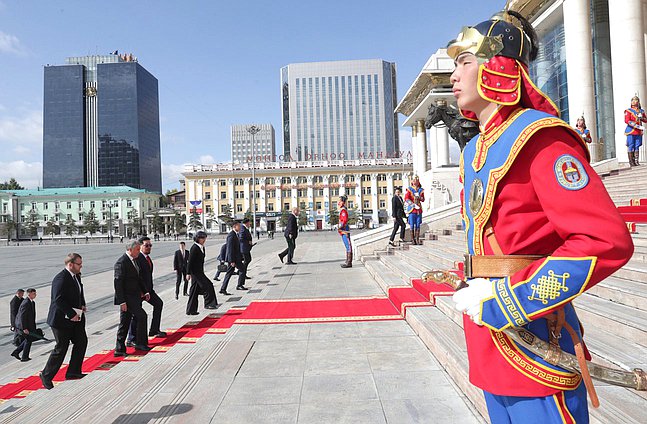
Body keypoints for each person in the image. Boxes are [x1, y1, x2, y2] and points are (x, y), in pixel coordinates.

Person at [446, 9, 634, 423]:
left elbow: (605, 241)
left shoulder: (540, 137)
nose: (454, 76)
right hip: (488, 340)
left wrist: (508, 300)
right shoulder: (472, 150)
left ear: (497, 66)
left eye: (464, 61)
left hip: (535, 338)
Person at [39, 254, 88, 390]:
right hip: (61, 320)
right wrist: (71, 314)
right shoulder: (61, 278)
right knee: (61, 347)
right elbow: (58, 299)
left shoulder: (76, 276)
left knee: (81, 341)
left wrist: (82, 304)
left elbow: (79, 292)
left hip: (75, 317)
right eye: (79, 264)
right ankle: (46, 375)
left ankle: (73, 372)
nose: (81, 266)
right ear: (70, 264)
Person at [127, 237, 166, 347]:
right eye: (146, 245)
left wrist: (148, 290)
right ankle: (131, 338)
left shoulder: (148, 258)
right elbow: (137, 277)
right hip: (139, 292)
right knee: (136, 314)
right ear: (140, 247)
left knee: (159, 304)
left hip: (148, 290)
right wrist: (141, 291)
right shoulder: (137, 259)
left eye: (150, 245)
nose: (149, 247)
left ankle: (154, 330)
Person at [113, 240, 151, 356]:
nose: (139, 252)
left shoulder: (135, 261)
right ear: (130, 249)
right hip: (127, 298)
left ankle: (119, 349)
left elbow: (138, 278)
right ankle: (140, 343)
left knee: (124, 323)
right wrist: (122, 301)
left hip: (134, 296)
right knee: (142, 316)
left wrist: (145, 291)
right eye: (137, 250)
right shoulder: (121, 262)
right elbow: (118, 283)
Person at [186, 231, 218, 315]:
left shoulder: (202, 247)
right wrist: (188, 273)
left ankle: (191, 310)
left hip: (200, 271)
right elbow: (190, 262)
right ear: (197, 238)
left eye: (204, 238)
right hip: (195, 273)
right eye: (202, 238)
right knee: (208, 285)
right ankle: (209, 304)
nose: (204, 240)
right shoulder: (194, 248)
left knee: (194, 291)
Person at [220, 221, 248, 295]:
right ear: (235, 226)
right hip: (233, 259)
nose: (240, 227)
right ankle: (239, 285)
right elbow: (230, 249)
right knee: (241, 269)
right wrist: (231, 261)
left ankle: (223, 288)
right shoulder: (231, 235)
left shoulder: (235, 234)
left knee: (229, 273)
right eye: (239, 226)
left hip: (235, 258)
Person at [12, 288, 37, 363]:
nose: (35, 295)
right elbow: (22, 316)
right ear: (29, 294)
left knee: (28, 340)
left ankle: (17, 352)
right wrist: (24, 328)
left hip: (29, 325)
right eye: (34, 293)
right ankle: (24, 356)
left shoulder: (31, 302)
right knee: (28, 340)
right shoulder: (26, 303)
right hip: (24, 326)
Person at [625, 95, 647, 166]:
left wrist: (642, 117)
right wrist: (636, 126)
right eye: (633, 100)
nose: (634, 101)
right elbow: (627, 120)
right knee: (631, 145)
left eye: (636, 100)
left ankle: (636, 160)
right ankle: (631, 161)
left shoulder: (641, 111)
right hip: (631, 130)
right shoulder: (628, 111)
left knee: (637, 145)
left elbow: (645, 120)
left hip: (638, 131)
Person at [404, 175, 424, 245]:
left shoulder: (421, 190)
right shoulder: (409, 189)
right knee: (412, 225)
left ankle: (417, 239)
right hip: (412, 209)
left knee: (418, 225)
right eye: (414, 180)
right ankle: (413, 239)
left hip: (418, 209)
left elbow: (423, 199)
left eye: (417, 180)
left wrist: (420, 198)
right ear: (412, 181)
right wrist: (412, 204)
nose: (416, 182)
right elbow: (406, 198)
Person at [336, 195, 353, 268]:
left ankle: (349, 262)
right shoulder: (342, 210)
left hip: (344, 230)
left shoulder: (343, 211)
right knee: (347, 245)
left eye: (339, 201)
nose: (338, 203)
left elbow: (344, 220)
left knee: (348, 245)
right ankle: (347, 261)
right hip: (343, 230)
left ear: (343, 202)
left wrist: (340, 226)